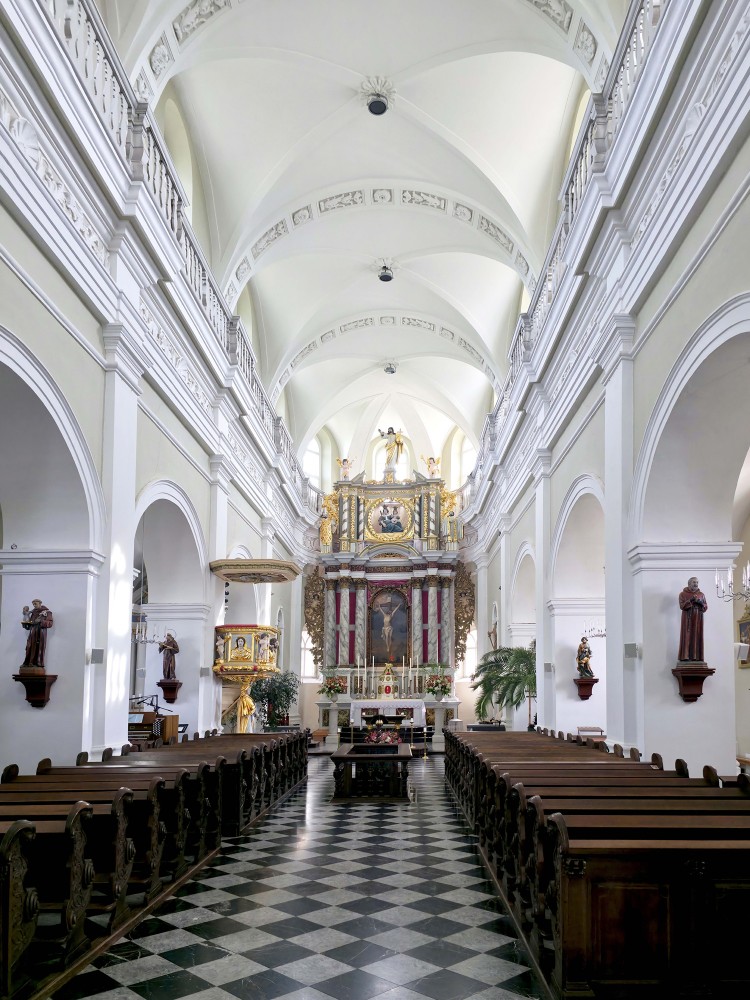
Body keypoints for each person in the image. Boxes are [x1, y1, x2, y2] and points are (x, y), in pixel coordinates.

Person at [678, 577, 708, 661]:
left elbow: (705, 606)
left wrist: (700, 602)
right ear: (689, 583)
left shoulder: (701, 594)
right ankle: (685, 656)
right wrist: (690, 600)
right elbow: (682, 606)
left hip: (698, 617)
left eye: (697, 582)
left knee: (697, 635)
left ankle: (696, 657)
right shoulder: (682, 594)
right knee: (687, 636)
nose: (696, 584)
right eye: (694, 582)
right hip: (687, 617)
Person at [21, 599, 53, 668]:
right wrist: (26, 624)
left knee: (39, 648)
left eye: (36, 604)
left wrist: (41, 621)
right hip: (32, 632)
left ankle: (38, 663)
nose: (34, 605)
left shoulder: (47, 612)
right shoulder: (33, 613)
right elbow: (30, 624)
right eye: (33, 604)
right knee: (29, 646)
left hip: (40, 632)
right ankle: (28, 662)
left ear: (40, 603)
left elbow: (50, 623)